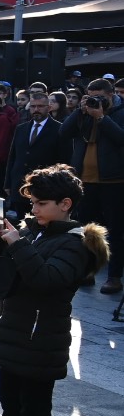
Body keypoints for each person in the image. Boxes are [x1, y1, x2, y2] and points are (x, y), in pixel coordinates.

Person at [0, 165, 108, 416]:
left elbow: (47, 280)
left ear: (65, 204)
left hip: (41, 337)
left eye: (40, 204)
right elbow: (2, 271)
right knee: (9, 398)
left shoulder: (75, 243)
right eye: (32, 203)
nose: (33, 210)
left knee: (34, 407)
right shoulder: (35, 231)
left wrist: (17, 244)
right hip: (16, 329)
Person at [60, 79, 124, 294]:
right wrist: (80, 111)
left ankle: (114, 277)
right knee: (87, 230)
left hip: (114, 180)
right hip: (86, 180)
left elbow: (121, 138)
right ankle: (87, 271)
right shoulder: (84, 113)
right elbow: (64, 133)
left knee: (115, 231)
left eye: (101, 97)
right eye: (91, 96)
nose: (96, 101)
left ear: (111, 94)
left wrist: (102, 118)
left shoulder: (120, 112)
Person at [5, 94, 66, 219]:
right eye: (33, 106)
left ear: (48, 107)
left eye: (40, 106)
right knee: (23, 222)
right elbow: (13, 157)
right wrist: (8, 183)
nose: (36, 109)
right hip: (20, 184)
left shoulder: (59, 129)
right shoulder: (21, 128)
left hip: (45, 186)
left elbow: (63, 160)